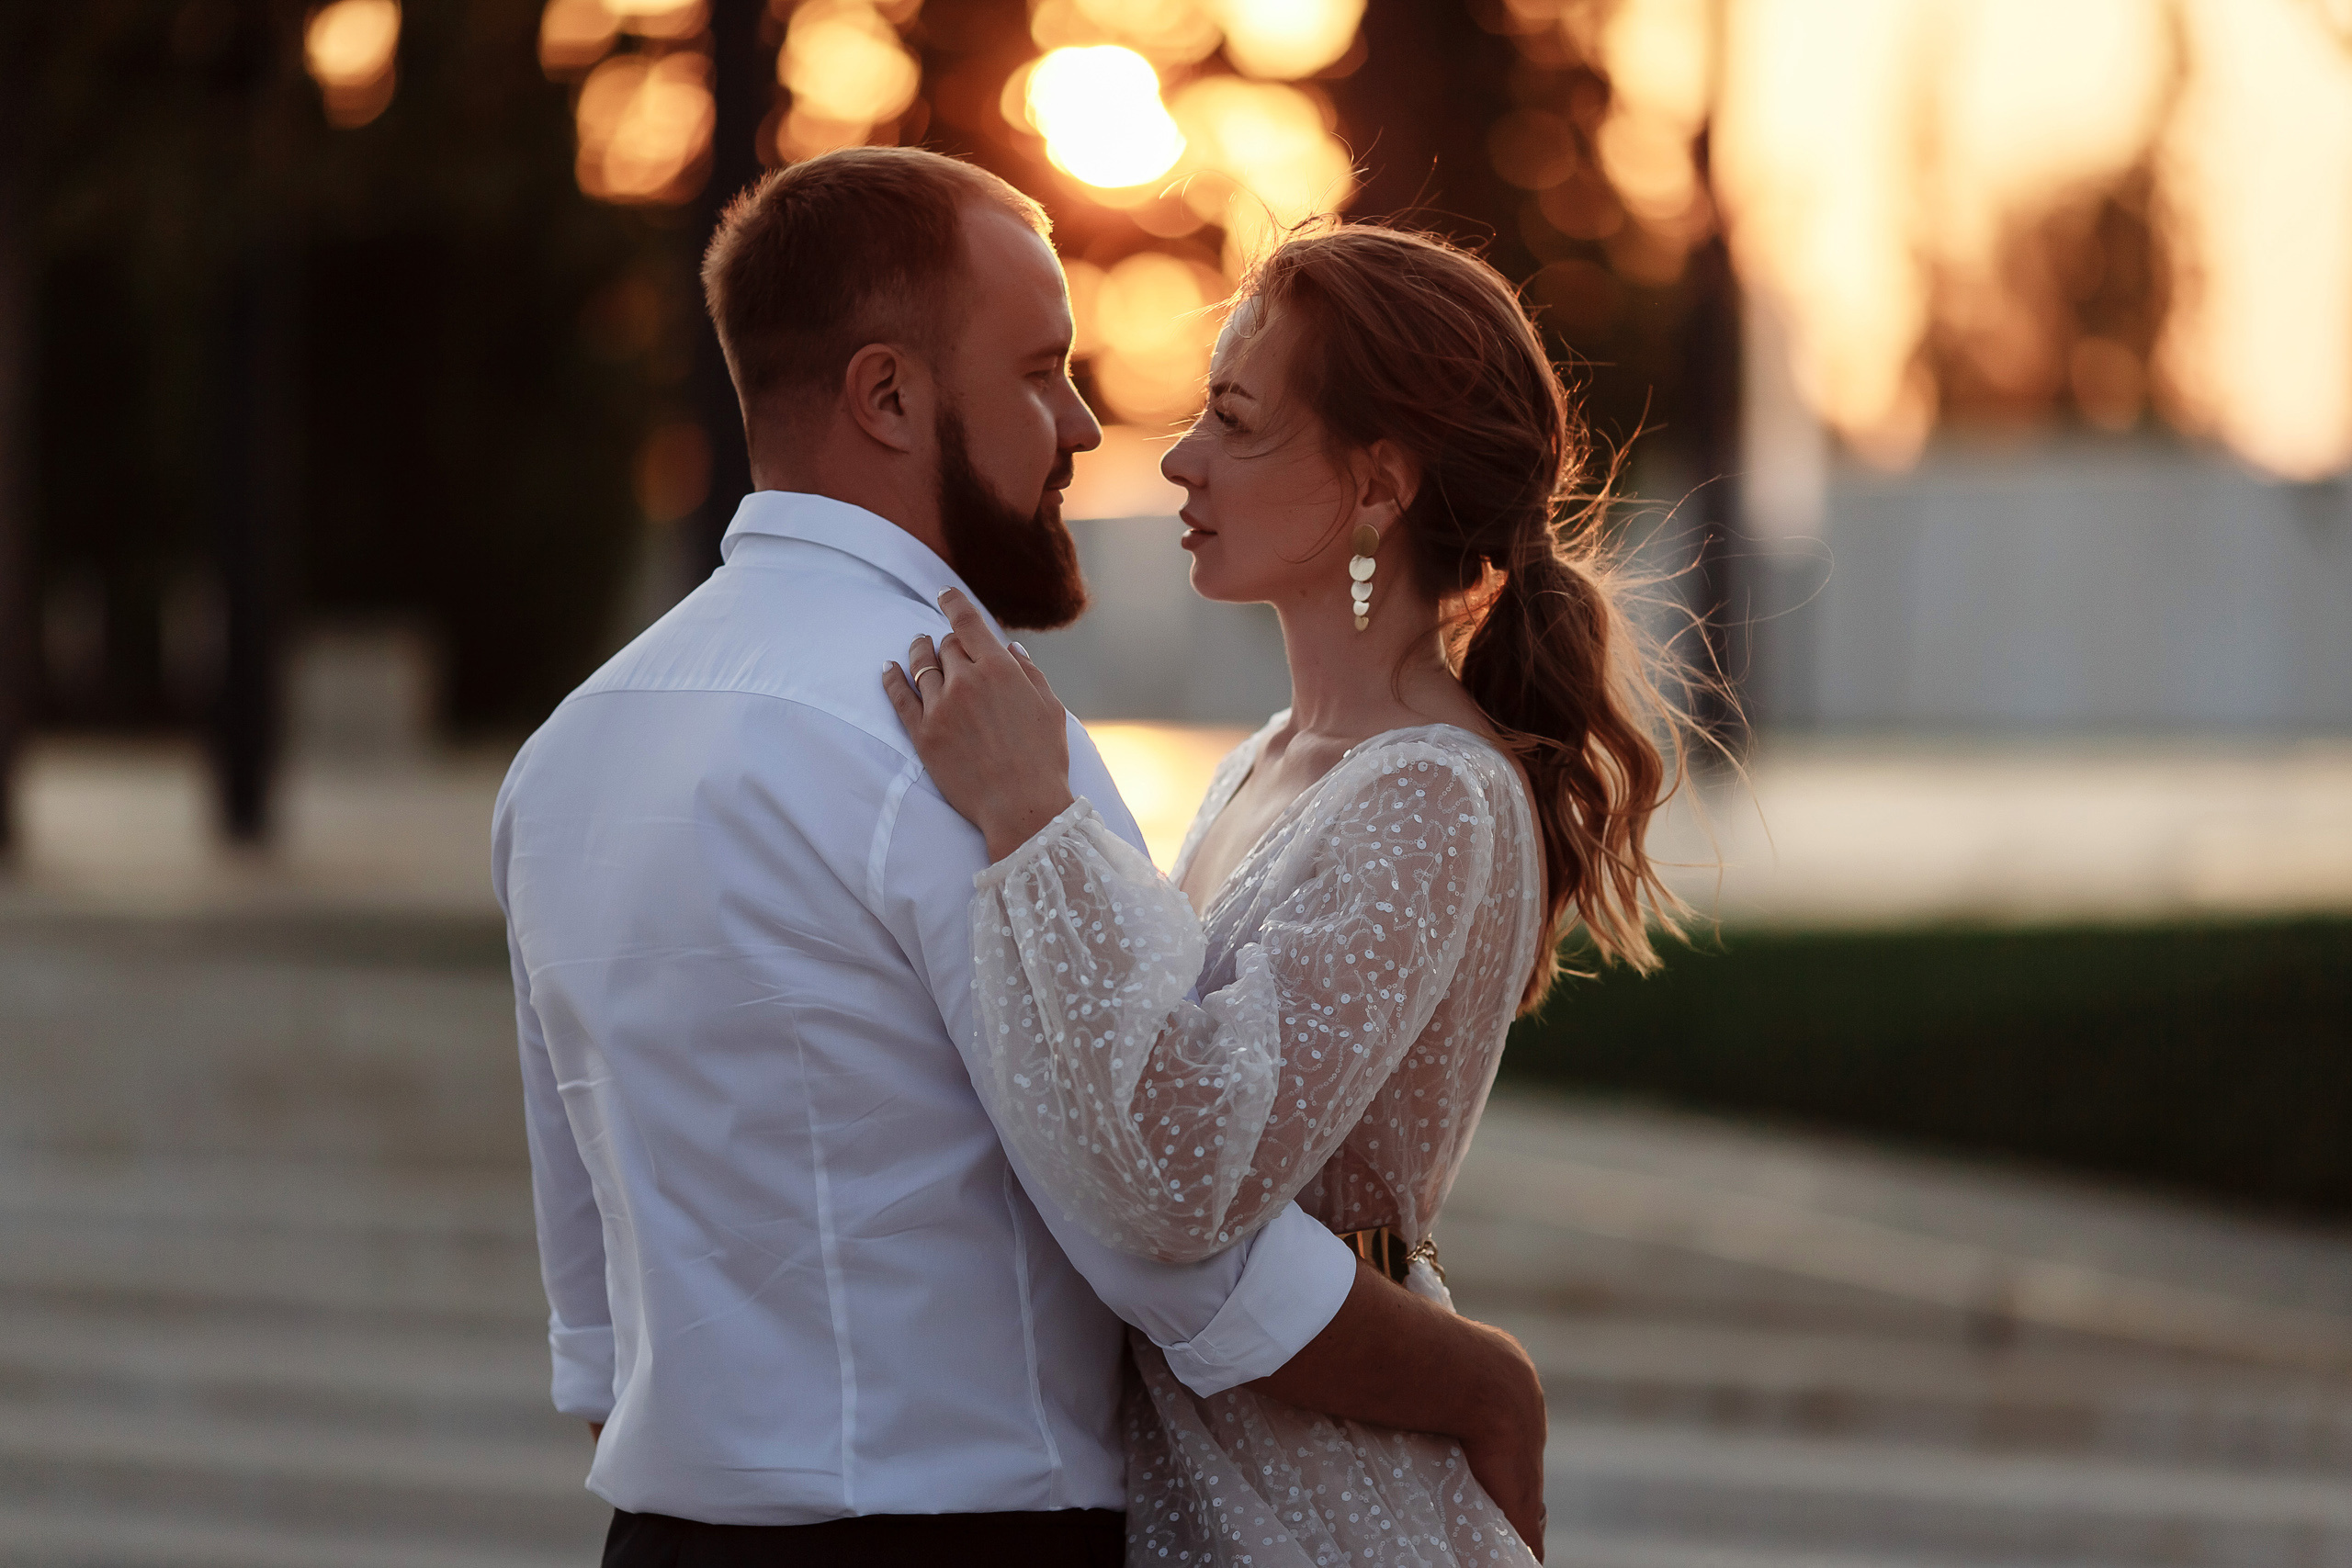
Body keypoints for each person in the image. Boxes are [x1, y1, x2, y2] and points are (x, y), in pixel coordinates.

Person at [492, 149, 1547, 1568]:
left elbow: (590, 1306)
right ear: (888, 396)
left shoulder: (566, 751)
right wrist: (1479, 1380)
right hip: (976, 1529)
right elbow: (1166, 1240)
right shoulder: (962, 735)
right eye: (1043, 371)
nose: (1092, 428)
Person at [888, 222, 1687, 1565]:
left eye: (1236, 420)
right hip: (1214, 1474)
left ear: (1375, 487)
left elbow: (1187, 1159)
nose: (1182, 456)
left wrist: (1033, 818)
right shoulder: (1273, 757)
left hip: (1323, 1513)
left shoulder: (1433, 795)